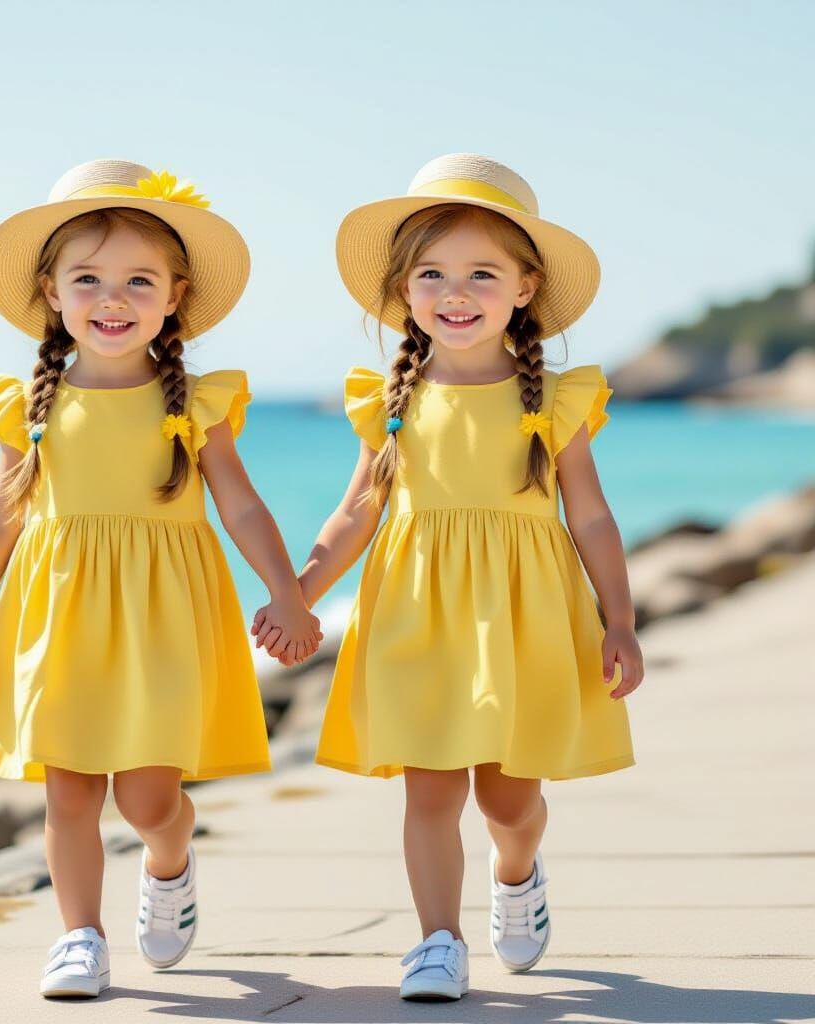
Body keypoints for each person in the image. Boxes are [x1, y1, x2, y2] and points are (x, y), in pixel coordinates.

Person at [256, 153, 643, 1001]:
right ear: (404, 292)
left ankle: (517, 873)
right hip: (416, 618)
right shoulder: (391, 400)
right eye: (431, 273)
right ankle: (437, 941)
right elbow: (355, 513)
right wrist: (296, 593)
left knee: (509, 802)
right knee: (429, 794)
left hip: (522, 619)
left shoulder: (555, 401)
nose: (454, 291)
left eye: (480, 272)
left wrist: (620, 621)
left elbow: (593, 518)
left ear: (525, 287)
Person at [0, 159, 321, 999]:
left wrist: (288, 590)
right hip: (59, 616)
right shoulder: (27, 407)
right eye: (89, 279)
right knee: (69, 793)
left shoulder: (197, 403)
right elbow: (0, 519)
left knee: (149, 800)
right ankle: (79, 936)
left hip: (162, 618)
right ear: (52, 292)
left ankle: (169, 859)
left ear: (175, 295)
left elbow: (244, 509)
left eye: (137, 280)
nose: (112, 298)